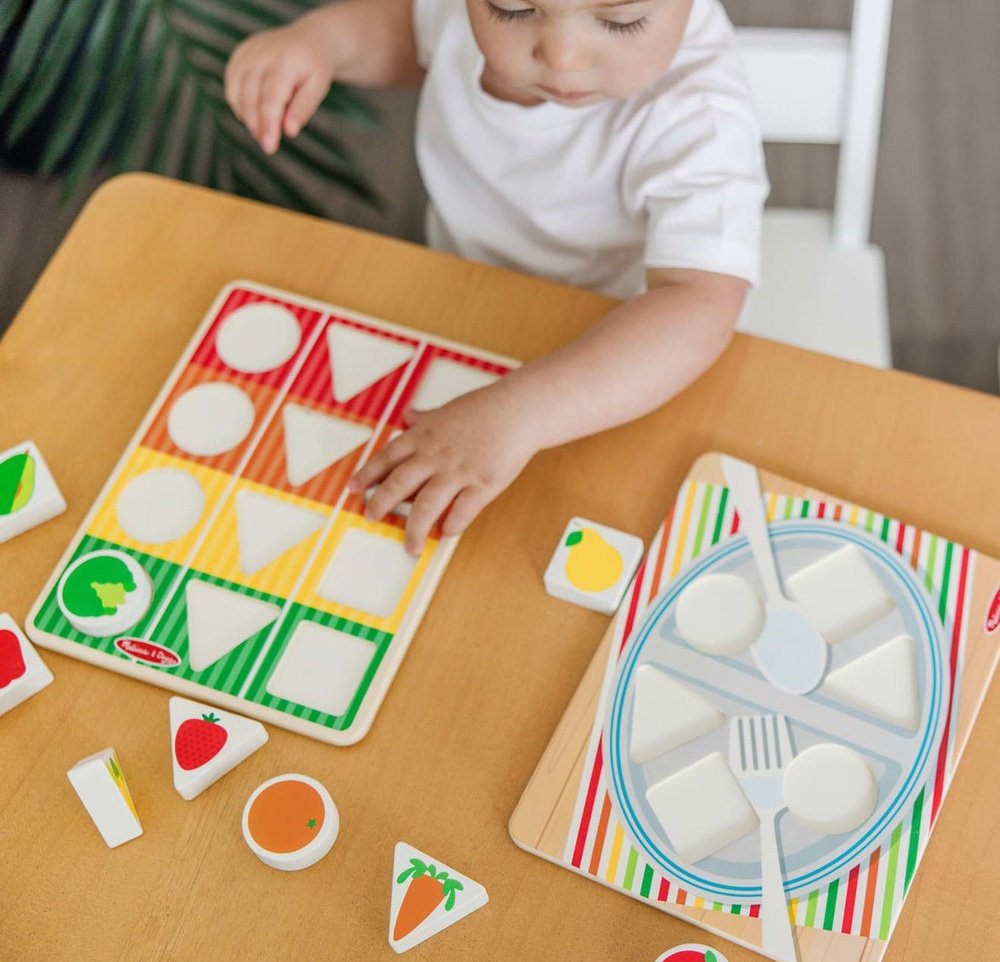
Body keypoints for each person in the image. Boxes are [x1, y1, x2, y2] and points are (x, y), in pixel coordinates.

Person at [225, 0, 768, 554]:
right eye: (511, 8)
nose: (561, 55)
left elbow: (700, 304)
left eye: (620, 19)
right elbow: (413, 33)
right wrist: (323, 42)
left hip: (619, 371)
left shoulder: (699, 116)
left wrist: (520, 416)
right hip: (468, 299)